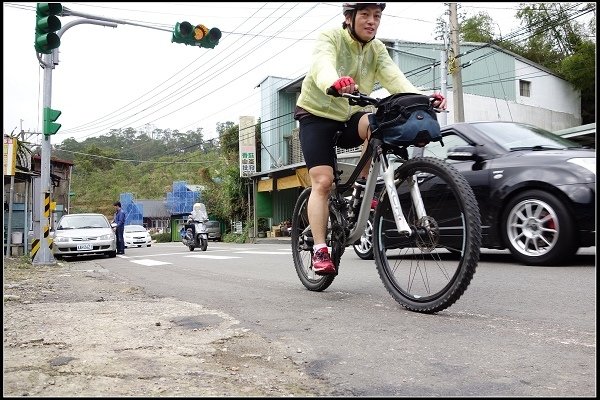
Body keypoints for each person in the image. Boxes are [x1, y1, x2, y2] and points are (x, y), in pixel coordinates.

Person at [294, 2, 447, 275]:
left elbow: (395, 80)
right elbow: (322, 64)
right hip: (316, 116)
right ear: (349, 17)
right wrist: (336, 82)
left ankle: (364, 188)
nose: (371, 21)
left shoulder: (376, 49)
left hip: (349, 116)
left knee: (377, 123)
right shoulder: (331, 38)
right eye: (364, 14)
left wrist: (423, 99)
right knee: (324, 182)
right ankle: (320, 248)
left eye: (376, 16)